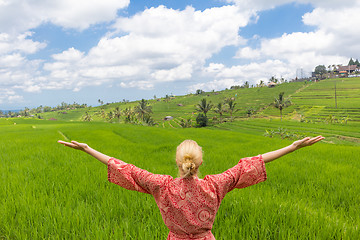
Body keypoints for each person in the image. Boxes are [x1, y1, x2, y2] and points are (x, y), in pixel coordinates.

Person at [58, 136, 324, 240]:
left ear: (178, 162)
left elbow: (123, 167)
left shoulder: (161, 186)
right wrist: (292, 147)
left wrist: (88, 149)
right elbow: (251, 163)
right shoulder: (216, 185)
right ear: (200, 163)